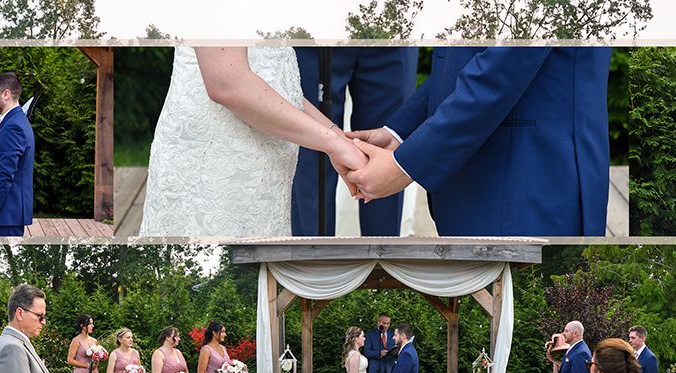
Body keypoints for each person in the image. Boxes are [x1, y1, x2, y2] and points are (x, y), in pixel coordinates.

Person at [348, 47, 613, 236]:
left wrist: (405, 165)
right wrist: (400, 132)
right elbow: (467, 56)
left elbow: (503, 64)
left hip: (528, 178)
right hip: (488, 176)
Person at [141, 47, 367, 237]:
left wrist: (339, 137)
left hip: (266, 171)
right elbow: (226, 83)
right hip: (217, 163)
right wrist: (335, 145)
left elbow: (277, 80)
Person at [291, 47, 418, 236]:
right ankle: (313, 260)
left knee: (387, 154)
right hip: (315, 40)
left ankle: (382, 257)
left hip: (394, 36)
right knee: (312, 165)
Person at [0, 72, 35, 237]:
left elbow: (5, 172)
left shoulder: (13, 126)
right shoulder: (11, 120)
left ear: (6, 94)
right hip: (4, 211)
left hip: (7, 214)